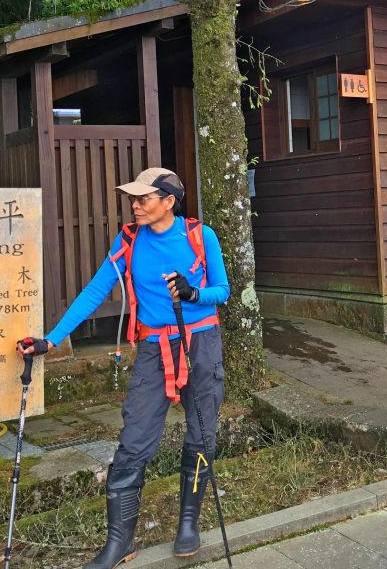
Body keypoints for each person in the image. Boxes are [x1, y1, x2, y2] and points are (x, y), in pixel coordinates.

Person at [17, 167, 229, 568]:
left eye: (143, 198)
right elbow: (96, 289)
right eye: (133, 198)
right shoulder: (130, 239)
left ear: (168, 202)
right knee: (134, 442)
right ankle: (119, 541)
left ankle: (189, 522)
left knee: (202, 435)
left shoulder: (201, 235)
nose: (135, 205)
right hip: (153, 348)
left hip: (200, 343)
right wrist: (51, 339)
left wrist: (193, 291)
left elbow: (223, 290)